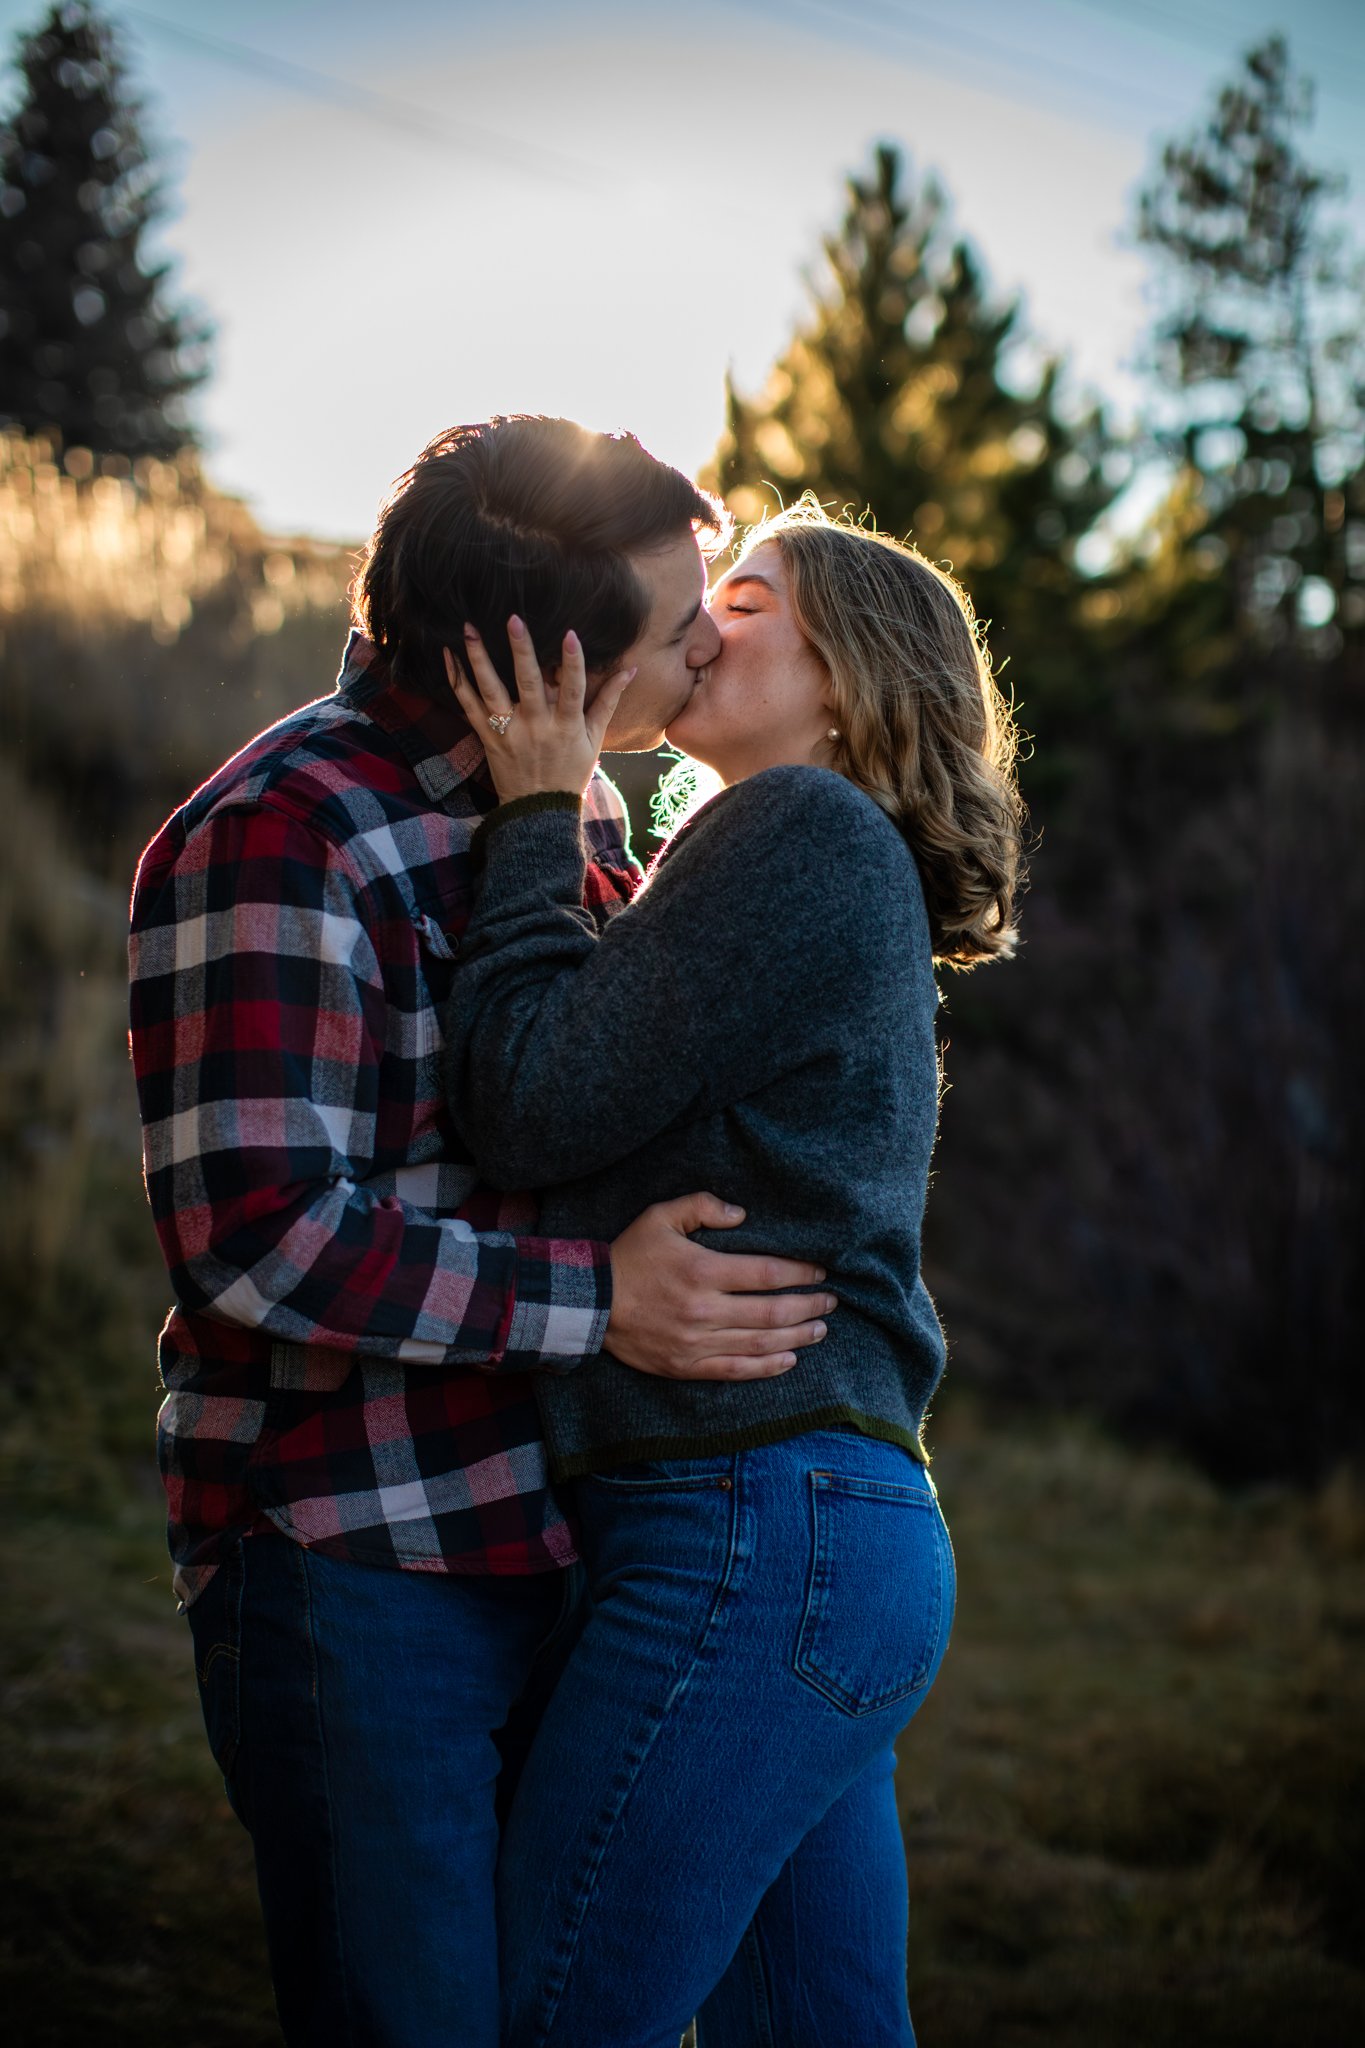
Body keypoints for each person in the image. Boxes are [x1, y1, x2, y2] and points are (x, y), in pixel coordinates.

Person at [125, 418, 838, 2048]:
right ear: (535, 658)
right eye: (675, 629)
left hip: (568, 1536)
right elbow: (261, 1237)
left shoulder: (571, 806)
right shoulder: (282, 831)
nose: (703, 645)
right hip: (357, 1559)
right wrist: (603, 1305)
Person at [442, 497, 1024, 2047]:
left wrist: (533, 820)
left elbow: (528, 1098)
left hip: (749, 1535)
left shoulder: (800, 832)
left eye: (748, 599)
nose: (701, 623)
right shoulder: (804, 860)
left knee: (548, 2018)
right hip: (824, 1539)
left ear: (847, 677)